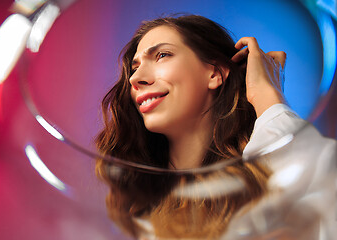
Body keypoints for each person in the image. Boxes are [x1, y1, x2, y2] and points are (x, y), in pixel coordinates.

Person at [95, 15, 336, 239]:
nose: (135, 79)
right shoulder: (141, 219)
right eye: (135, 68)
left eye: (162, 55)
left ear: (215, 73)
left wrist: (267, 96)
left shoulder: (265, 187)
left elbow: (326, 202)